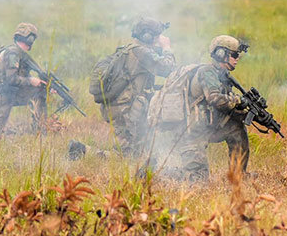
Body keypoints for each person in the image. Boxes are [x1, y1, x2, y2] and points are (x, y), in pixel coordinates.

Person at [147, 35, 249, 182]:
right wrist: (239, 100)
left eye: (238, 55)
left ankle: (238, 175)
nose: (237, 58)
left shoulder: (221, 75)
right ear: (221, 54)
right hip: (190, 134)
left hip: (206, 128)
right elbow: (215, 99)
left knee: (237, 128)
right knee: (198, 180)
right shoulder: (207, 72)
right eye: (234, 54)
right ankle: (159, 174)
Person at [99, 18, 175, 155]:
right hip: (125, 110)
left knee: (139, 152)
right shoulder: (142, 53)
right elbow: (167, 68)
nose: (159, 39)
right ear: (148, 36)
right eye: (157, 36)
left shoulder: (132, 49)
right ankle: (83, 151)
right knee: (125, 155)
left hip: (123, 107)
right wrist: (167, 48)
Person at [0, 22, 49, 133]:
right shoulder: (13, 53)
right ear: (29, 39)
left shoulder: (18, 53)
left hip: (7, 93)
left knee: (39, 91)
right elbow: (11, 79)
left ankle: (40, 128)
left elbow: (20, 76)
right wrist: (31, 81)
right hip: (1, 95)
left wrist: (41, 84)